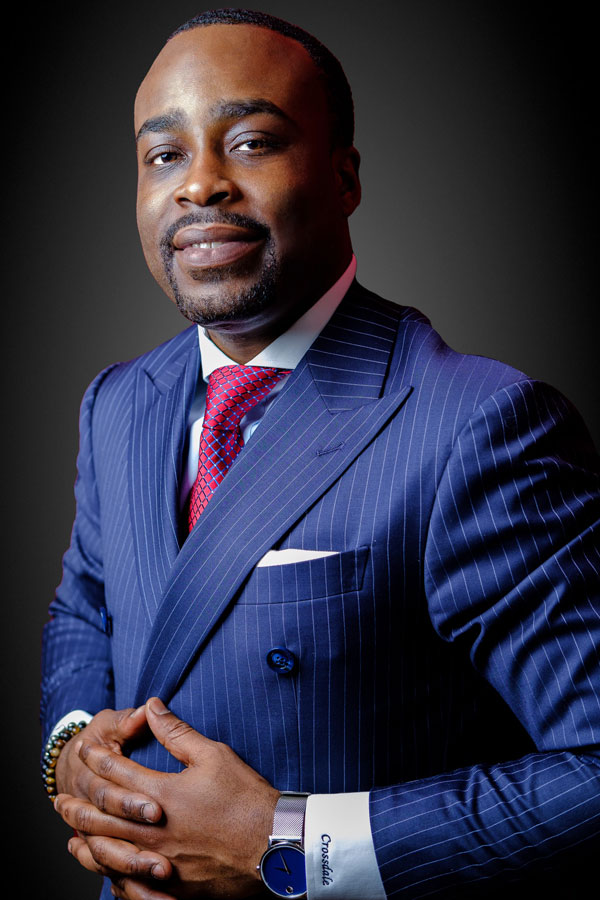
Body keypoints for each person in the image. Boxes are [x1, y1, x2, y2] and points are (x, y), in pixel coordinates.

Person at [41, 8, 600, 900]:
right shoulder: (118, 403)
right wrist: (72, 748)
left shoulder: (478, 425)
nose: (200, 184)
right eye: (165, 155)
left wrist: (290, 843)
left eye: (252, 142)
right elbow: (87, 605)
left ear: (344, 178)